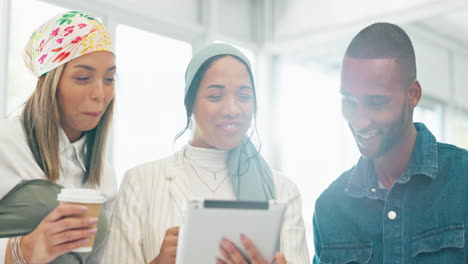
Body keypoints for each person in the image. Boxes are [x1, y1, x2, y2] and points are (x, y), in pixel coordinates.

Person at [102, 43, 310, 264]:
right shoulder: (140, 182)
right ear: (190, 103)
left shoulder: (283, 191)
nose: (232, 110)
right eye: (215, 96)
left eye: (244, 96)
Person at [312, 22, 467, 263]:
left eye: (376, 102)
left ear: (413, 95)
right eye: (350, 102)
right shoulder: (329, 207)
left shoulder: (463, 181)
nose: (360, 121)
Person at [0, 11, 117, 264]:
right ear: (49, 81)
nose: (100, 93)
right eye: (83, 78)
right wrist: (21, 250)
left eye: (109, 79)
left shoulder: (104, 175)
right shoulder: (5, 142)